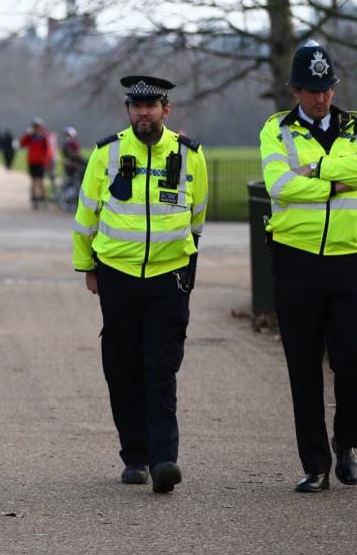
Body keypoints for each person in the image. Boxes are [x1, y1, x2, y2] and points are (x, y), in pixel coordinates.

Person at [72, 76, 208, 494]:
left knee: (160, 368)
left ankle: (164, 457)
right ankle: (134, 455)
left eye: (151, 105)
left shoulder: (190, 156)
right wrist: (87, 267)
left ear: (166, 110)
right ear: (128, 110)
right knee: (122, 368)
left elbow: (197, 216)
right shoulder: (107, 153)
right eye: (136, 105)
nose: (143, 112)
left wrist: (189, 268)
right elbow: (86, 215)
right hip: (118, 276)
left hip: (169, 277)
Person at [260, 41, 357, 494]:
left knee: (352, 356)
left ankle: (346, 441)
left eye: (327, 88)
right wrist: (337, 180)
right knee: (304, 365)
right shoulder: (277, 130)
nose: (321, 98)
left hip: (350, 257)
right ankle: (316, 464)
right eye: (312, 90)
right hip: (297, 260)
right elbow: (280, 184)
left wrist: (316, 172)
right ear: (295, 90)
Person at [18, 118, 54, 208]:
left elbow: (48, 149)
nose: (36, 128)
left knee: (41, 181)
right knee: (34, 181)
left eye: (38, 127)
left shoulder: (44, 137)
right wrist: (27, 133)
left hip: (40, 161)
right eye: (35, 127)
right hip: (32, 161)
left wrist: (46, 160)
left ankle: (43, 198)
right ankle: (34, 199)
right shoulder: (30, 136)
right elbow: (22, 144)